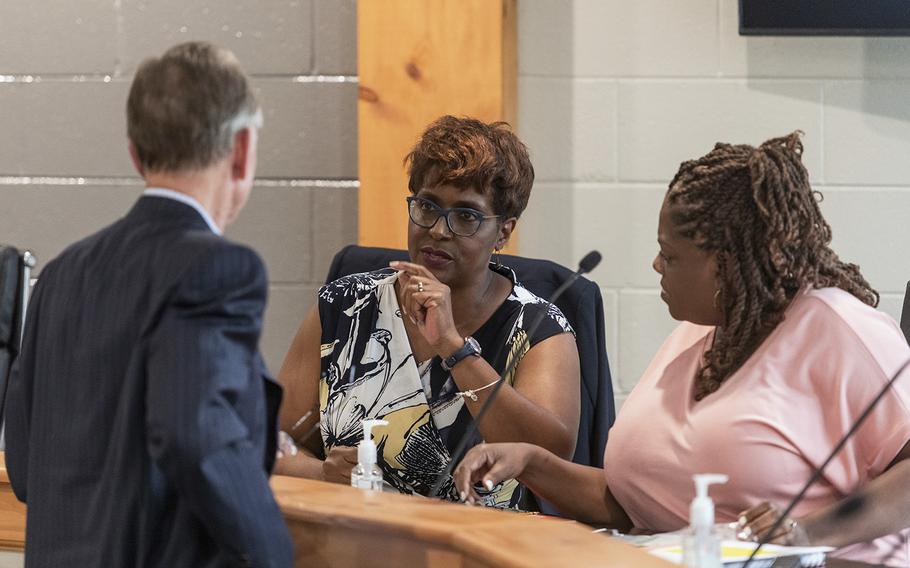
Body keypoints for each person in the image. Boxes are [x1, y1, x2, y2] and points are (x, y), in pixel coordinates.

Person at [454, 132, 910, 565]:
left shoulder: (839, 328)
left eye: (669, 255)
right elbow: (635, 504)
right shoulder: (698, 333)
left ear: (726, 265)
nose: (655, 264)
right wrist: (531, 462)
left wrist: (807, 533)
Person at [4, 42, 294, 567]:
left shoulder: (59, 275)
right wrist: (272, 552)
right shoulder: (222, 270)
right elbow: (194, 433)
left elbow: (25, 467)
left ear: (135, 154)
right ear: (243, 150)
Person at [276, 116, 580, 507]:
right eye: (427, 206)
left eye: (466, 216)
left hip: (481, 551)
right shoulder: (342, 306)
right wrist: (322, 474)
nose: (438, 229)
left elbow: (551, 465)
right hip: (355, 541)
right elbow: (273, 444)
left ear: (504, 231)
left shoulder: (539, 329)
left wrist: (453, 347)